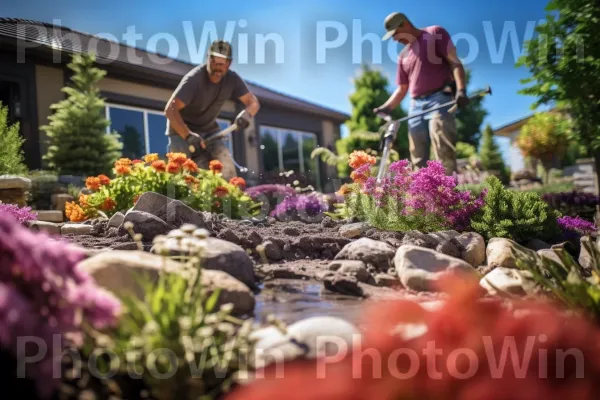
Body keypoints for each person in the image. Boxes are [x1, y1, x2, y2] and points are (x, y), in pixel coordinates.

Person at [374, 12, 469, 175]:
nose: (395, 39)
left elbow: (454, 62)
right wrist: (386, 107)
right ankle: (423, 198)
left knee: (443, 148)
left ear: (404, 24)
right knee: (417, 156)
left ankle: (448, 196)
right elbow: (402, 88)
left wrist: (461, 90)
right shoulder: (402, 56)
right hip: (415, 106)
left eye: (395, 34)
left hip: (439, 99)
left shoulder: (435, 33)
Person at [164, 39, 260, 180]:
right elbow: (170, 110)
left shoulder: (232, 80)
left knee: (227, 171)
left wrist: (246, 116)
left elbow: (253, 103)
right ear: (208, 58)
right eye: (214, 62)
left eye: (222, 64)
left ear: (229, 63)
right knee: (184, 178)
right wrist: (188, 135)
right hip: (181, 131)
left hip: (209, 131)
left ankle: (229, 201)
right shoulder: (194, 79)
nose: (218, 68)